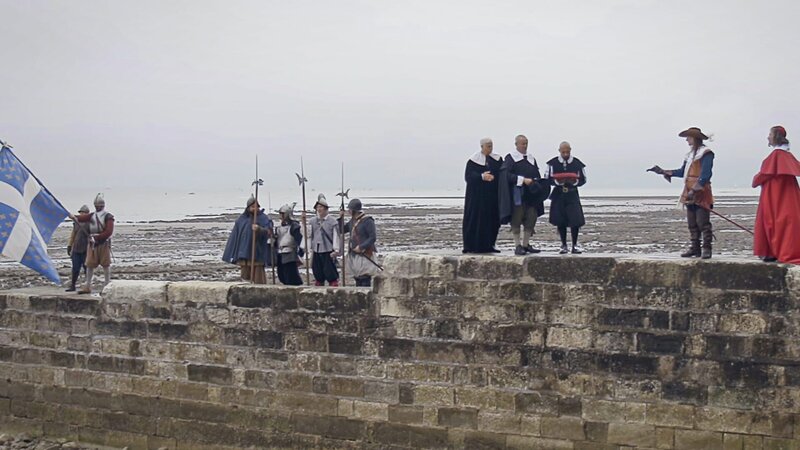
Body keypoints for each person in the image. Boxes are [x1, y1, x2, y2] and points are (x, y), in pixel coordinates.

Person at [648, 127, 715, 259]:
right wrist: (664, 171)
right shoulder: (689, 156)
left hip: (701, 191)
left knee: (703, 222)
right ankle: (695, 248)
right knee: (692, 223)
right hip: (689, 190)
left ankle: (707, 248)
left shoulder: (706, 153)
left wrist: (696, 189)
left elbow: (706, 174)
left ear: (695, 138)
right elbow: (682, 172)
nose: (686, 139)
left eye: (688, 137)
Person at [752, 125, 800, 264]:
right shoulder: (787, 156)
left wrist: (755, 180)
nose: (768, 137)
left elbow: (763, 175)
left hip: (773, 195)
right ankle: (778, 250)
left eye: (770, 134)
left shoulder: (776, 156)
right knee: (788, 220)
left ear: (775, 136)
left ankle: (772, 251)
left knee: (772, 220)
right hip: (788, 194)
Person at [499, 135, 551, 255]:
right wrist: (522, 180)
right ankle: (517, 245)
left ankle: (525, 244)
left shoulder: (531, 158)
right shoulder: (510, 158)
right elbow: (506, 175)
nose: (525, 146)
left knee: (531, 218)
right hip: (518, 194)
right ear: (516, 144)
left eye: (526, 143)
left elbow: (536, 174)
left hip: (531, 195)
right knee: (516, 218)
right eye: (522, 143)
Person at [545, 142, 587, 254]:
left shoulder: (577, 163)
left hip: (572, 194)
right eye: (563, 152)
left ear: (570, 150)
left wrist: (574, 182)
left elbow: (583, 179)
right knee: (560, 220)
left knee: (575, 220)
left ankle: (575, 245)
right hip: (559, 194)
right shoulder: (552, 163)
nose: (565, 154)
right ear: (559, 150)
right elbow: (547, 178)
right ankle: (563, 245)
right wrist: (558, 182)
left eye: (567, 152)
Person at [69, 193, 115, 294]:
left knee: (105, 265)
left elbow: (108, 232)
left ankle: (107, 285)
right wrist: (73, 216)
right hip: (92, 244)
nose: (98, 207)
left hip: (103, 243)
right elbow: (82, 218)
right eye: (96, 205)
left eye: (99, 205)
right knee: (89, 265)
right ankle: (87, 286)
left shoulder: (108, 216)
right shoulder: (92, 215)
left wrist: (97, 237)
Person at [462, 137, 502, 254]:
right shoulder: (473, 161)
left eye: (491, 145)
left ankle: (489, 244)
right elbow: (468, 177)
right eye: (488, 146)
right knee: (475, 220)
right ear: (482, 147)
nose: (490, 148)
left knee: (492, 221)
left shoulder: (497, 159)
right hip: (477, 198)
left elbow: (502, 173)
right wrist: (482, 176)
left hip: (492, 196)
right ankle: (472, 246)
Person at [222, 195, 273, 283]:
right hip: (244, 253)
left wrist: (259, 229)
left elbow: (269, 231)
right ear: (248, 207)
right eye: (253, 207)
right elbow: (236, 235)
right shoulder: (242, 219)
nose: (255, 209)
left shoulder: (263, 218)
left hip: (257, 252)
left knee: (258, 278)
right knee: (245, 278)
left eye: (256, 207)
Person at [339, 198, 379, 287]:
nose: (348, 211)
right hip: (354, 254)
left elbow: (372, 237)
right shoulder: (352, 221)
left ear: (354, 210)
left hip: (365, 253)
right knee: (357, 278)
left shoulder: (368, 221)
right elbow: (341, 230)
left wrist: (361, 247)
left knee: (364, 278)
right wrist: (341, 217)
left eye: (350, 209)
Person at [304, 194, 340, 286]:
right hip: (316, 249)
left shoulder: (332, 221)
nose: (319, 209)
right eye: (317, 207)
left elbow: (336, 236)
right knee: (317, 273)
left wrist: (336, 249)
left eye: (321, 207)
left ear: (325, 208)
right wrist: (303, 221)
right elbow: (307, 234)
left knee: (330, 273)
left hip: (328, 250)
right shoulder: (312, 221)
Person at [275, 203, 304, 285]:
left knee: (291, 274)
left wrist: (301, 251)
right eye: (280, 214)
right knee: (281, 274)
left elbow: (299, 239)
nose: (280, 216)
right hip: (280, 252)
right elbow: (277, 239)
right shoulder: (279, 226)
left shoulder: (294, 226)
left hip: (290, 252)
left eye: (282, 214)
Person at [66, 205, 90, 292]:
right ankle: (73, 285)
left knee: (87, 269)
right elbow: (73, 235)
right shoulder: (76, 222)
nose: (81, 214)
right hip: (76, 249)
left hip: (86, 249)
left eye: (83, 213)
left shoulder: (90, 223)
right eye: (80, 213)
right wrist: (69, 246)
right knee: (75, 268)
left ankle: (88, 286)